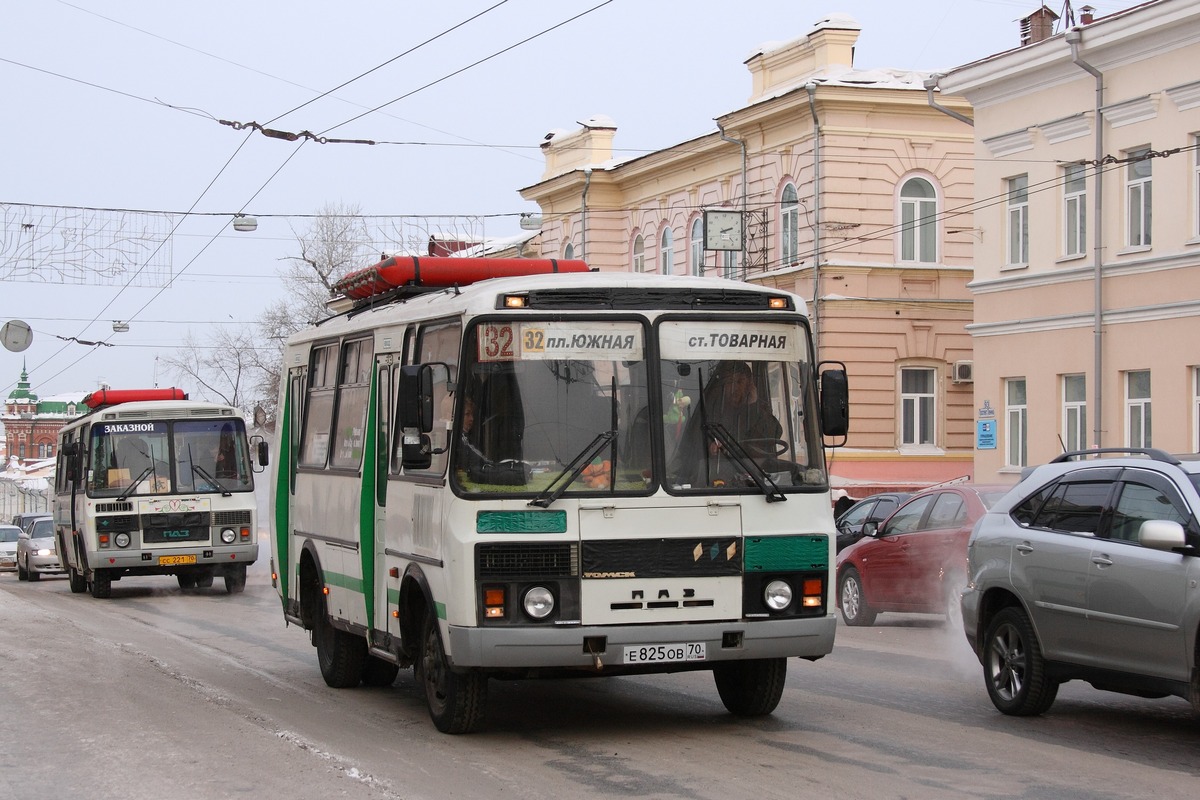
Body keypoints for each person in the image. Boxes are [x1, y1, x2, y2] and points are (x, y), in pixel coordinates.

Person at [669, 361, 782, 486]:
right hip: (711, 478)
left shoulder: (756, 411)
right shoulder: (708, 409)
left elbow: (775, 433)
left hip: (751, 479)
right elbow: (693, 445)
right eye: (729, 382)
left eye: (740, 382)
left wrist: (755, 404)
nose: (735, 388)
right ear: (721, 385)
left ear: (749, 385)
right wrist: (710, 446)